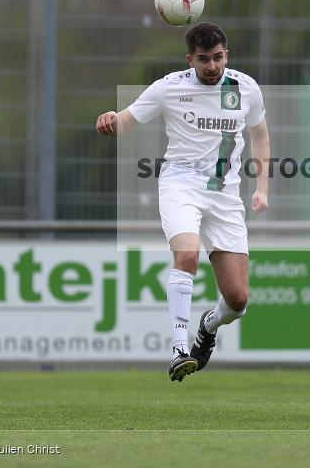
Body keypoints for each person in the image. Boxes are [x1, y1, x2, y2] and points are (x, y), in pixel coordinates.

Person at [95, 22, 270, 382]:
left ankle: (207, 326)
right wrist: (111, 119)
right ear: (190, 60)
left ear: (227, 55)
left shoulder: (246, 88)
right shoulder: (169, 88)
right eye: (204, 59)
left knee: (237, 301)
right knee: (187, 255)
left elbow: (260, 136)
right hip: (181, 185)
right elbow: (125, 121)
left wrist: (262, 187)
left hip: (225, 194)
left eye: (218, 57)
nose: (212, 66)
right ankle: (178, 350)